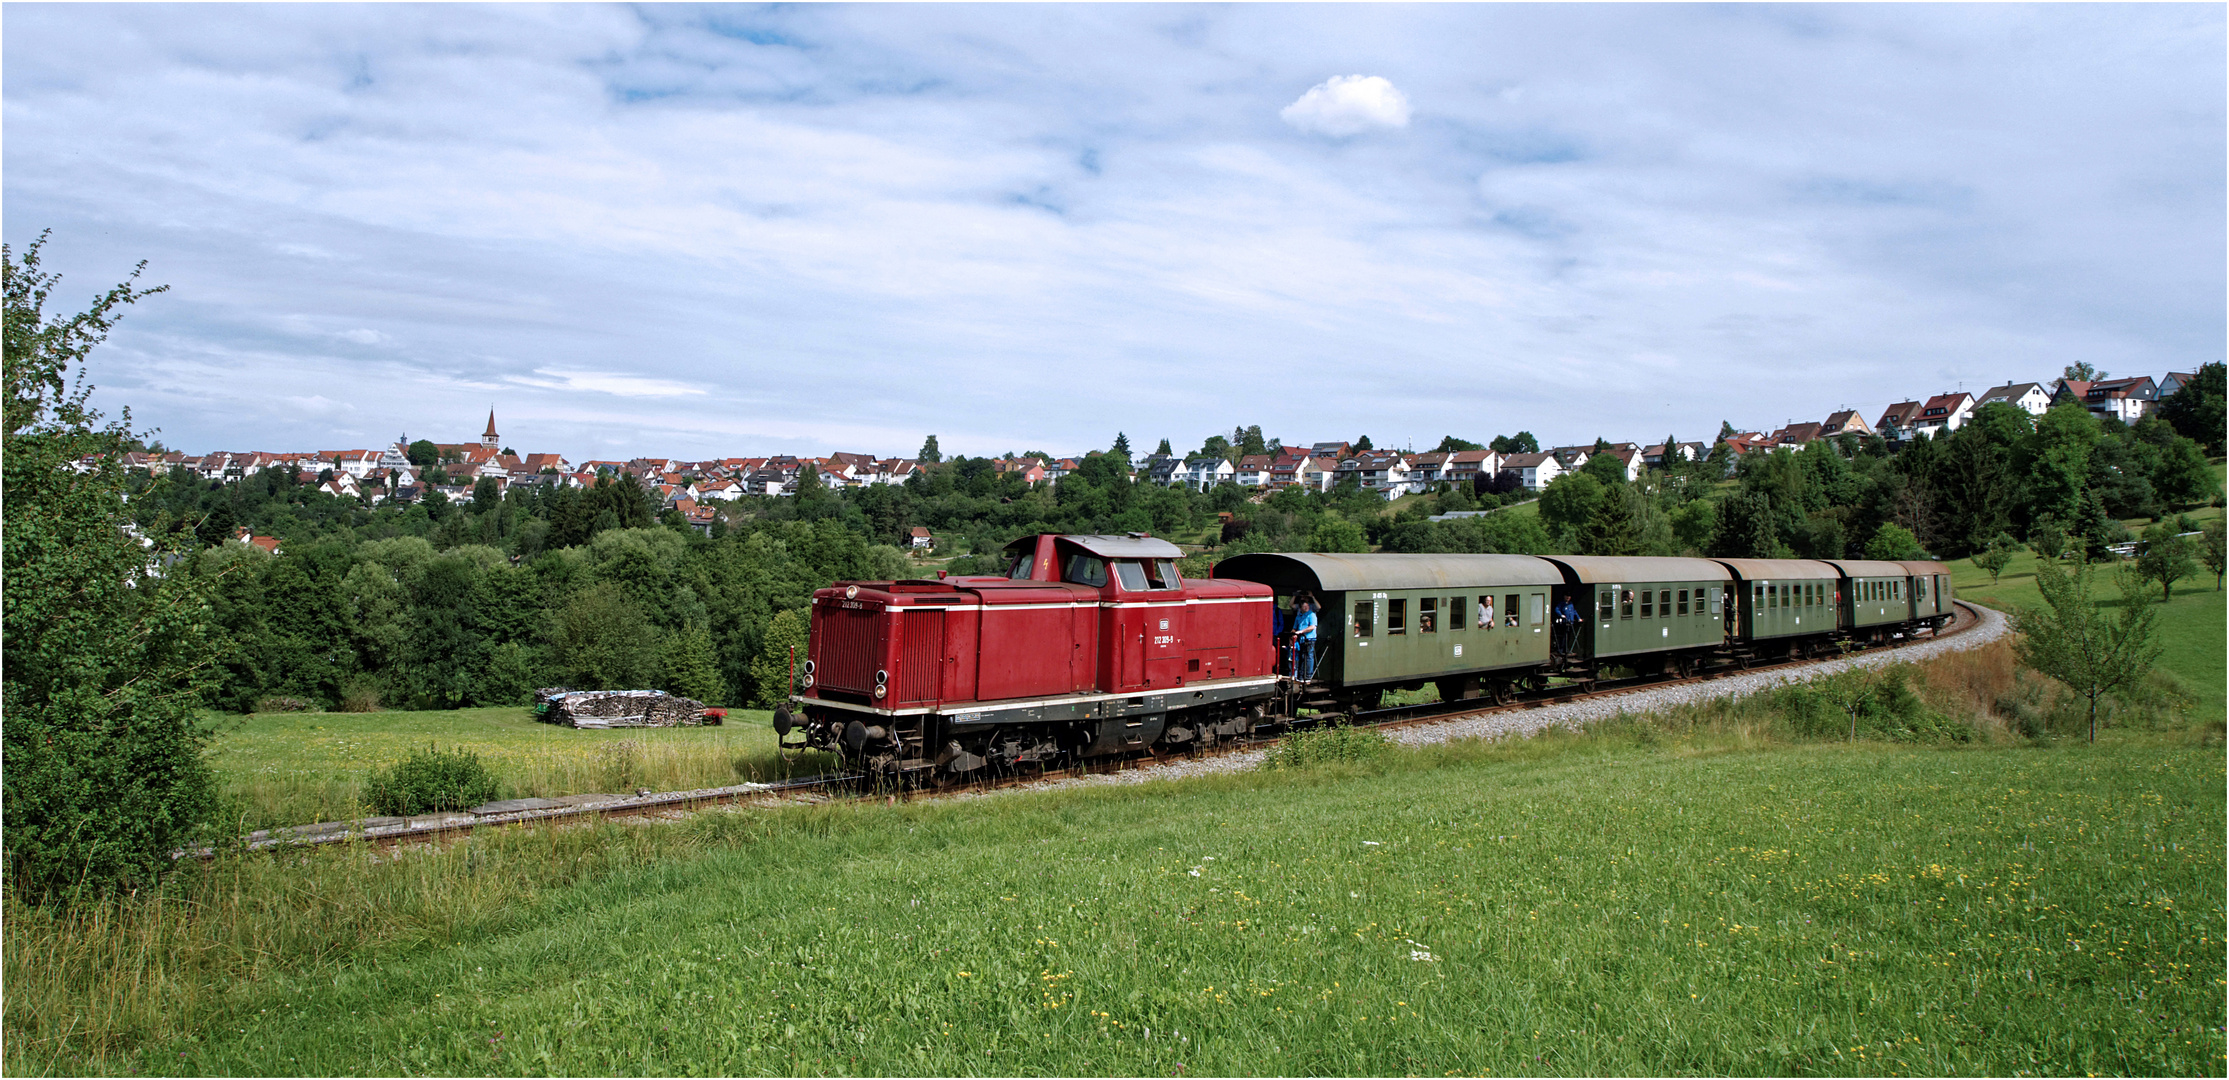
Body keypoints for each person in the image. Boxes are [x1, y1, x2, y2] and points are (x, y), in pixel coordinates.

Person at [1291, 594, 1319, 680]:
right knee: (1302, 657)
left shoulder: (1311, 615)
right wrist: (1293, 634)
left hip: (1309, 639)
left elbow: (1312, 627)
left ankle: (1308, 676)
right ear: (1301, 608)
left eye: (1307, 606)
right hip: (1301, 639)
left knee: (1309, 656)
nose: (1306, 608)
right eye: (1304, 607)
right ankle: (1300, 675)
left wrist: (1302, 631)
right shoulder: (1298, 616)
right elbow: (1294, 628)